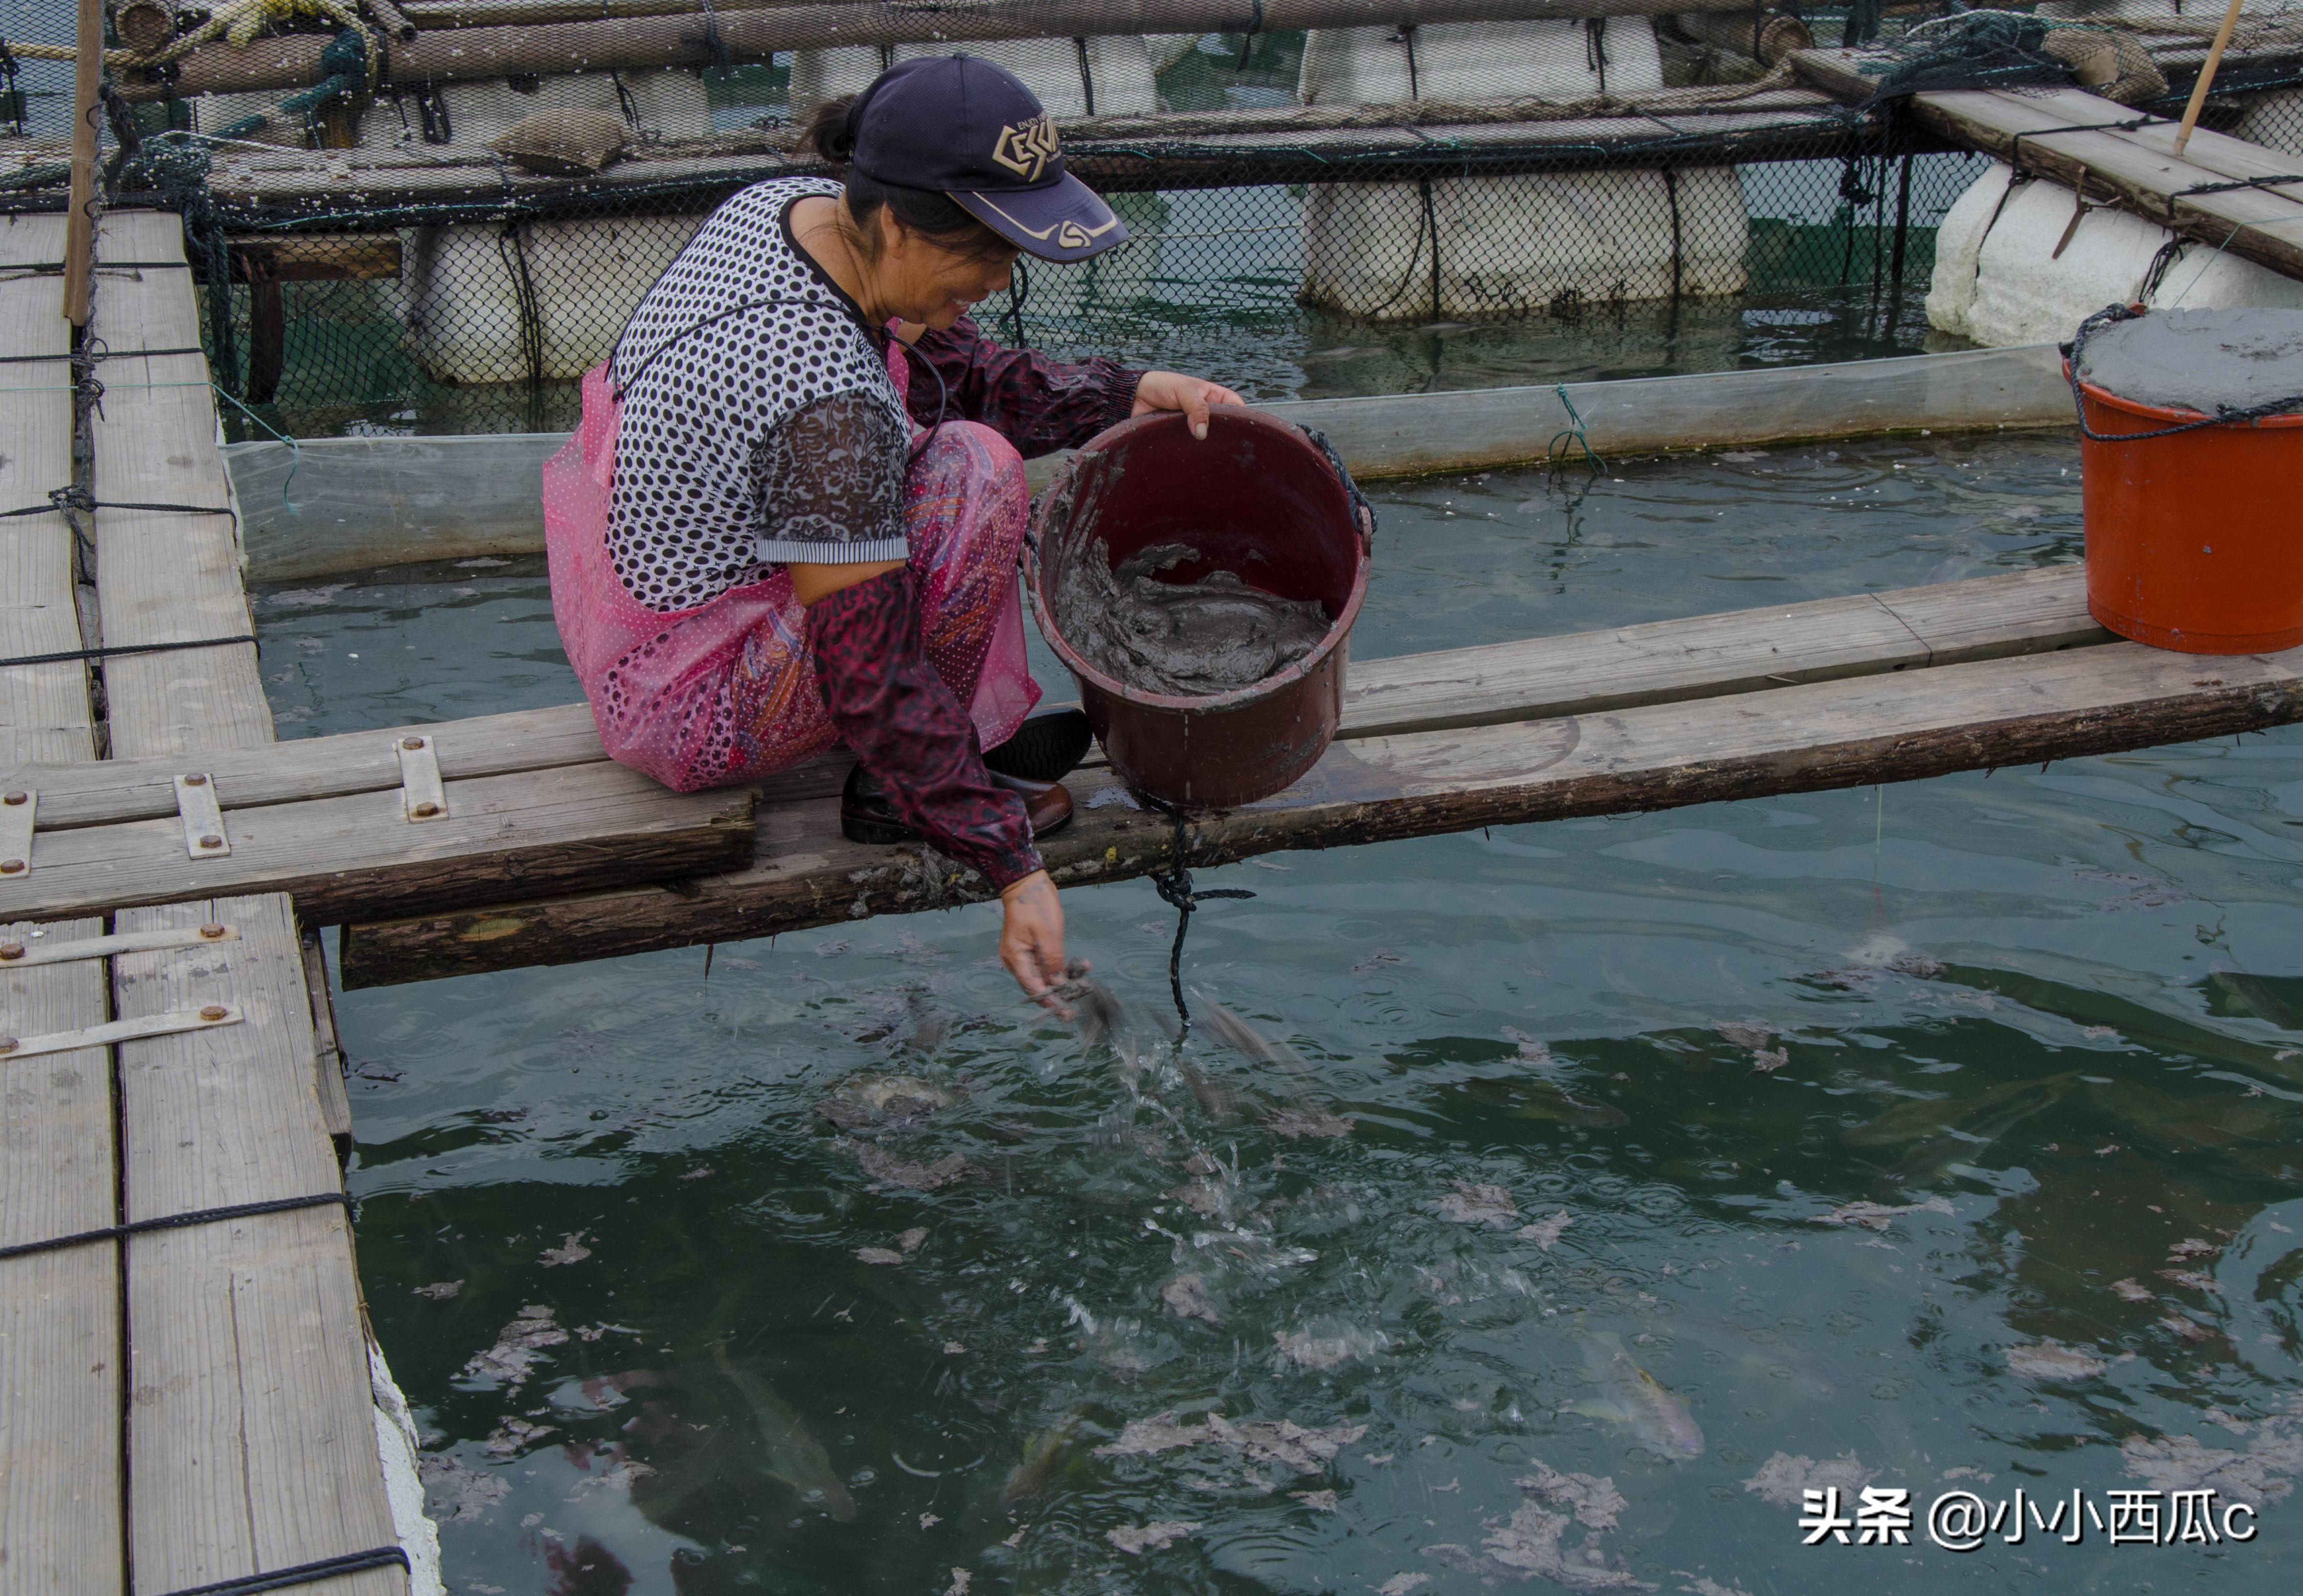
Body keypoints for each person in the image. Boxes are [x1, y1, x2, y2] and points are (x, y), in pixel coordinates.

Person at [544, 55, 1242, 1009]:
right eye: (988, 249)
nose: (1001, 279)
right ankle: (898, 790)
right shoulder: (821, 401)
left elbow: (963, 369)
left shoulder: (797, 210)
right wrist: (1007, 864)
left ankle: (945, 756)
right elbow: (867, 672)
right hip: (694, 706)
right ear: (894, 220)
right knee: (975, 476)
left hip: (660, 623)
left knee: (957, 447)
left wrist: (1126, 393)